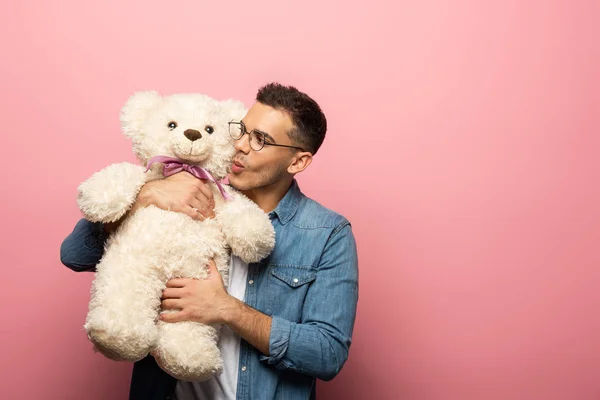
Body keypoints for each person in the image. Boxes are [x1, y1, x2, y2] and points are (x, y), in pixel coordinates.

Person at [60, 83, 359, 400]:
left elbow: (327, 354)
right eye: (242, 130)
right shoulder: (186, 189)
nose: (240, 145)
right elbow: (75, 254)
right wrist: (145, 197)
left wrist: (227, 310)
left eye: (260, 140)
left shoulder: (327, 232)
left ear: (297, 162)